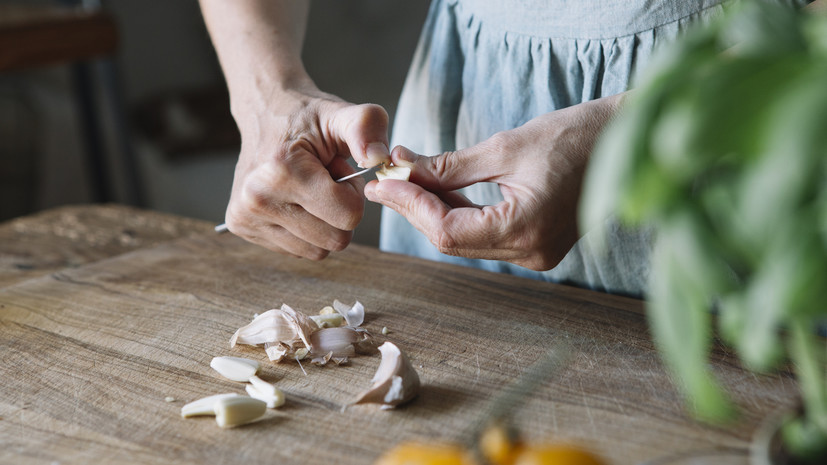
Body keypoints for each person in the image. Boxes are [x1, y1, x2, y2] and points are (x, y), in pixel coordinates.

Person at [198, 0, 817, 298]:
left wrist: (635, 131)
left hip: (756, 107)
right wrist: (266, 97)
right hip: (473, 83)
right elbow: (265, 93)